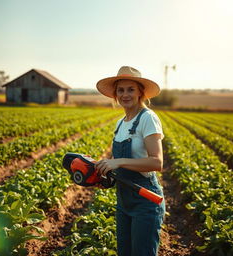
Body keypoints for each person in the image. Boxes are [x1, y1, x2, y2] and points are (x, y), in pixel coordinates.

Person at [95, 66, 165, 256]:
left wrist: (118, 162)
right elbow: (117, 162)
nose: (125, 94)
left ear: (141, 92)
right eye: (121, 90)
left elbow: (156, 162)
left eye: (130, 89)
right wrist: (105, 169)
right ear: (115, 95)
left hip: (145, 200)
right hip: (123, 201)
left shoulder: (148, 118)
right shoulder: (121, 123)